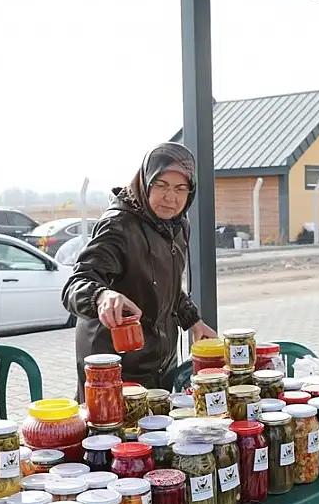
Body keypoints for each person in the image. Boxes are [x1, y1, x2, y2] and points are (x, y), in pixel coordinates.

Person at [63, 142, 217, 396]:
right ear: (145, 183)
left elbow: (166, 286)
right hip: (113, 365)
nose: (171, 197)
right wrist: (102, 296)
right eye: (161, 185)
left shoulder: (177, 225)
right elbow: (74, 286)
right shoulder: (118, 225)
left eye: (180, 188)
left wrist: (193, 321)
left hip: (158, 361)